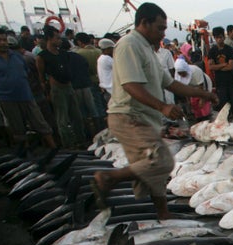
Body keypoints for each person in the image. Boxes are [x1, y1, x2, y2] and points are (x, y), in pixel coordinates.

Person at [92, 2, 218, 220]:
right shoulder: (129, 45)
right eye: (160, 27)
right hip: (129, 117)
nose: (163, 33)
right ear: (144, 23)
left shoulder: (148, 50)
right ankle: (108, 178)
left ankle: (163, 214)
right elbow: (130, 85)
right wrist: (163, 106)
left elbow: (170, 83)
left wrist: (204, 94)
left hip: (145, 119)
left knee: (155, 174)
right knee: (162, 162)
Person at [0, 27, 56, 149]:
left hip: (27, 95)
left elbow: (26, 73)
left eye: (4, 40)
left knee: (40, 123)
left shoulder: (17, 56)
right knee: (18, 128)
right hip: (7, 99)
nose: (3, 43)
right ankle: (26, 153)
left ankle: (54, 148)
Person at [36, 25, 86, 148]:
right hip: (57, 90)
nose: (59, 40)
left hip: (69, 87)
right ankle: (68, 144)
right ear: (49, 39)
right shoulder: (42, 56)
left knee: (77, 116)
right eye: (57, 38)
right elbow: (41, 77)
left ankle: (82, 140)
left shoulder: (63, 54)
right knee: (62, 119)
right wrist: (47, 92)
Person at [209, 26, 233, 122]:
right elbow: (210, 67)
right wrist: (223, 64)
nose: (219, 39)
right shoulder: (212, 51)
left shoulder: (229, 49)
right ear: (214, 38)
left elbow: (230, 66)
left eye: (221, 37)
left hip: (232, 81)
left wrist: (217, 67)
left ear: (223, 36)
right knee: (223, 106)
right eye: (217, 37)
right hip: (220, 83)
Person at [174, 56, 213, 121]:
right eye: (180, 73)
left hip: (203, 85)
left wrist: (202, 99)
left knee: (203, 106)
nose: (181, 75)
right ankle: (198, 119)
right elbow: (184, 89)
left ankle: (207, 118)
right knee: (194, 105)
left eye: (183, 73)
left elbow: (201, 86)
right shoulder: (178, 75)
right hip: (192, 88)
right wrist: (188, 100)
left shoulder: (195, 71)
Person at [97, 38, 115, 107]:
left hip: (106, 88)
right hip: (111, 89)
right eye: (111, 49)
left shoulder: (101, 58)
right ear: (107, 49)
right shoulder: (107, 59)